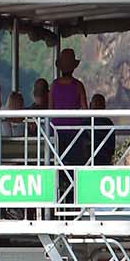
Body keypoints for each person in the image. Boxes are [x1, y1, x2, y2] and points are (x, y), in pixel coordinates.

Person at [50, 47, 88, 202]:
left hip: (57, 133)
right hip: (75, 133)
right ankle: (74, 202)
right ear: (73, 67)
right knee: (75, 170)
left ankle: (57, 201)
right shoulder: (78, 86)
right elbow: (85, 110)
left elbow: (50, 110)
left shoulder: (53, 86)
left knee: (57, 170)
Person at [89, 93, 116, 166]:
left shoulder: (108, 123)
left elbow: (111, 148)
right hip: (88, 158)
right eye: (96, 104)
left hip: (102, 159)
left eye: (99, 104)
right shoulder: (85, 122)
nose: (97, 106)